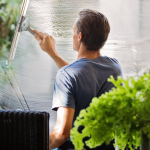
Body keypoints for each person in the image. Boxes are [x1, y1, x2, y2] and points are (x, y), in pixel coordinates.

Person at [34, 9, 122, 150]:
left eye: (73, 32)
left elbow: (61, 134)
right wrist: (53, 53)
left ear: (80, 36)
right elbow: (83, 75)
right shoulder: (114, 67)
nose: (73, 35)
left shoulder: (67, 75)